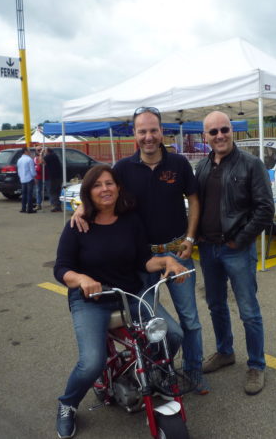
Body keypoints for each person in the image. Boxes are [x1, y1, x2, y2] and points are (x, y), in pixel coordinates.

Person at [71, 106, 208, 394]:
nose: (148, 136)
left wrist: (191, 238)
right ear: (134, 134)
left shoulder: (179, 164)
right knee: (145, 323)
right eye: (142, 131)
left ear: (162, 132)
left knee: (190, 320)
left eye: (153, 130)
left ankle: (194, 371)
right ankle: (155, 371)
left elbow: (194, 200)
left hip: (176, 253)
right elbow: (101, 189)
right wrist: (83, 207)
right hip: (141, 258)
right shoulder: (122, 168)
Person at [54, 164, 187, 439]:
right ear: (89, 192)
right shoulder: (78, 225)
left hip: (130, 296)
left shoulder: (130, 220)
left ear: (117, 188)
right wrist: (80, 279)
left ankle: (149, 374)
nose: (105, 189)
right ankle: (67, 404)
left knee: (172, 335)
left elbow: (143, 261)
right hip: (93, 300)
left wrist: (167, 261)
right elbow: (61, 268)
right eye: (97, 185)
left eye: (109, 183)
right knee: (92, 362)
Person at [195, 111, 275, 395]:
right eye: (213, 132)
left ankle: (257, 365)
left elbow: (265, 209)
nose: (219, 136)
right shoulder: (202, 167)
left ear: (232, 131)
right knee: (215, 305)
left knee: (249, 311)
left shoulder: (252, 165)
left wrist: (239, 241)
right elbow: (195, 206)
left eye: (224, 129)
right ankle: (225, 352)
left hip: (235, 250)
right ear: (205, 137)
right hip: (208, 248)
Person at [16, 147, 36, 213]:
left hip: (22, 179)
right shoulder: (29, 159)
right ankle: (29, 209)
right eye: (29, 151)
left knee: (24, 194)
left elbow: (18, 170)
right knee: (29, 194)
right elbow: (32, 170)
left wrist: (20, 177)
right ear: (25, 151)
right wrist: (34, 177)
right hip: (29, 178)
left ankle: (23, 208)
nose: (30, 152)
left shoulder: (19, 160)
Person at [44, 147, 63, 212]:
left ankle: (56, 206)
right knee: (58, 191)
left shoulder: (49, 156)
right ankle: (58, 206)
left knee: (53, 191)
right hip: (59, 176)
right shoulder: (55, 156)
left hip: (53, 177)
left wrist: (41, 154)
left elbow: (41, 162)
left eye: (45, 151)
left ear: (48, 151)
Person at [34, 146, 45, 210]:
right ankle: (38, 204)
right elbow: (40, 164)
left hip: (46, 176)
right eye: (38, 150)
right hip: (38, 176)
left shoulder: (45, 157)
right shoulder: (35, 158)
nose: (40, 151)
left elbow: (44, 163)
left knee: (50, 190)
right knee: (38, 190)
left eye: (40, 150)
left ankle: (54, 204)